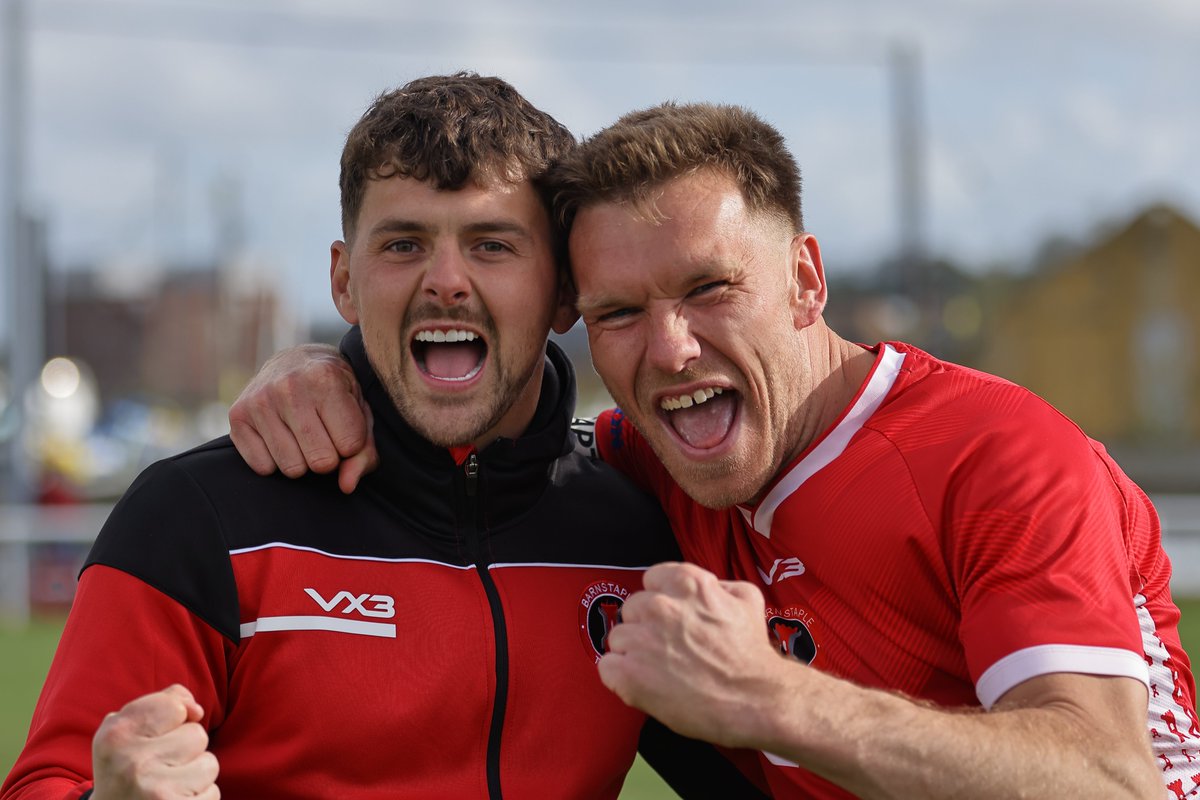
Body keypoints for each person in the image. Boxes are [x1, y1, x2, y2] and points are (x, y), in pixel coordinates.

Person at [228, 99, 1200, 799]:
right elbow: (487, 453)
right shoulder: (642, 457)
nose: (669, 347)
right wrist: (334, 371)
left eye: (708, 289)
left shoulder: (998, 456)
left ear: (806, 281)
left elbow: (1109, 779)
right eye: (618, 311)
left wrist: (768, 695)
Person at [2, 75, 765, 800]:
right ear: (343, 281)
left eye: (492, 245)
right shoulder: (197, 516)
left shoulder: (637, 526)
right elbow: (48, 780)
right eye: (403, 244)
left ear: (563, 290)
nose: (446, 280)